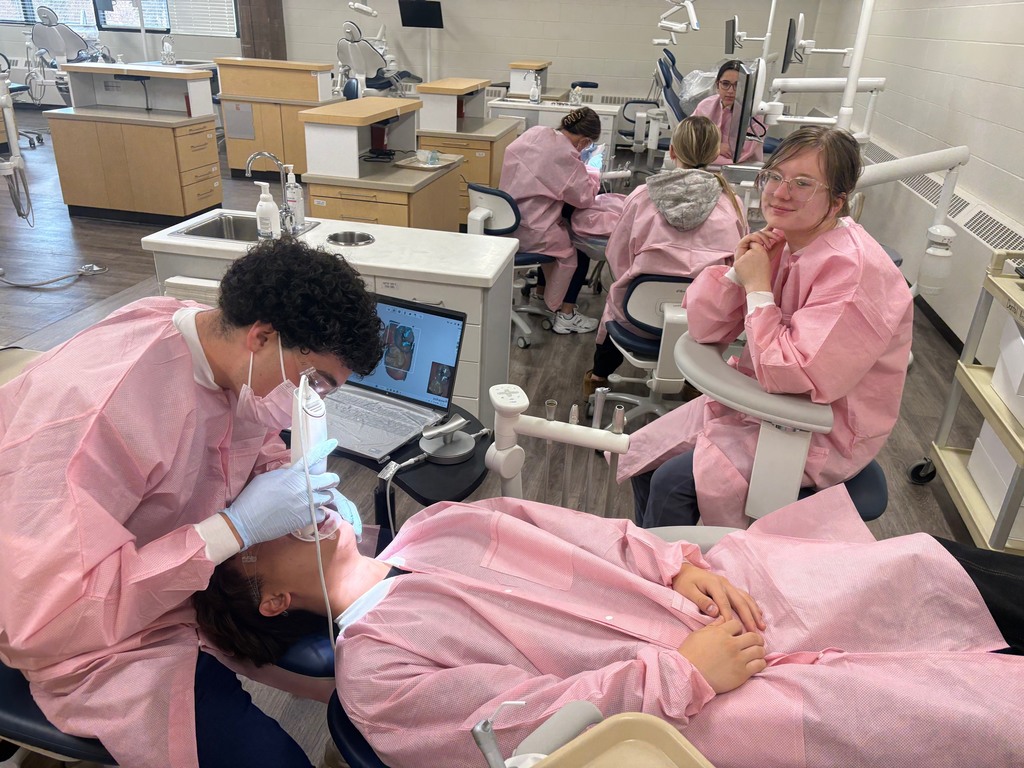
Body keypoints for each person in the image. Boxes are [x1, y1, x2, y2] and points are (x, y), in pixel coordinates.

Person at [193, 488, 1024, 768]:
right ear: (272, 601)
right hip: (693, 705)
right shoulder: (378, 674)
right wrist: (683, 672)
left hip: (719, 599)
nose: (292, 505)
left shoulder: (439, 523)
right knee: (953, 711)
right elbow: (528, 732)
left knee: (923, 572)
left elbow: (588, 534)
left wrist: (676, 566)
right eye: (262, 528)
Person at [0, 238, 384, 768]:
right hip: (81, 629)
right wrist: (232, 529)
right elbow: (46, 616)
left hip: (175, 582)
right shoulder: (101, 417)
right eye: (314, 381)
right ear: (262, 336)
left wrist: (288, 476)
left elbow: (238, 435)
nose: (311, 398)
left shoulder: (222, 348)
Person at [619, 126, 914, 529]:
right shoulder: (786, 241)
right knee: (644, 457)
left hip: (815, 428)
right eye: (774, 176)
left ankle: (689, 568)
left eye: (803, 183)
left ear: (837, 201)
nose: (780, 192)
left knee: (672, 482)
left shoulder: (854, 271)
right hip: (760, 405)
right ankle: (659, 559)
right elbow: (704, 327)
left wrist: (758, 287)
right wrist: (737, 273)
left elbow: (794, 375)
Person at [583, 116, 747, 400]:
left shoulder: (642, 197)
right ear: (714, 155)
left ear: (672, 151)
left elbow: (617, 255)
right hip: (702, 323)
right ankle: (694, 385)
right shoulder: (733, 203)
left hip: (636, 317)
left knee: (616, 304)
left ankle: (597, 378)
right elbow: (738, 263)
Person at [499, 107, 607, 334]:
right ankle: (566, 315)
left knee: (558, 228)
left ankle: (541, 291)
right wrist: (593, 172)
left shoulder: (535, 133)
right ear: (584, 142)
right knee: (577, 251)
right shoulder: (565, 157)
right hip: (532, 230)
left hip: (505, 222)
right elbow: (584, 198)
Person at [692, 60, 765, 166]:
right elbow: (690, 138)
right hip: (707, 163)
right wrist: (716, 148)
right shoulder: (705, 106)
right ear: (717, 85)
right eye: (725, 84)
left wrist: (707, 151)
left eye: (737, 85)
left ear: (746, 87)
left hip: (743, 165)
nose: (731, 91)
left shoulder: (755, 114)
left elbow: (742, 154)